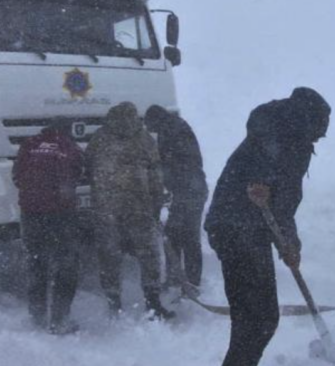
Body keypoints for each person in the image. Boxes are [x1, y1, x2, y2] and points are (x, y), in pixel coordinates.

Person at [193, 87, 331, 366]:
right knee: (262, 318)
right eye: (319, 130)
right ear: (308, 121)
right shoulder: (275, 132)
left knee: (250, 317)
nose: (320, 138)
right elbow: (262, 141)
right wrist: (260, 180)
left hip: (242, 228)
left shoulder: (292, 141)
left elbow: (283, 205)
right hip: (239, 228)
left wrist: (291, 244)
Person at [87, 101, 175, 320]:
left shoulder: (99, 137)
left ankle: (114, 305)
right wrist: (156, 204)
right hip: (139, 206)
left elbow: (88, 165)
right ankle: (153, 304)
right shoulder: (143, 139)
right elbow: (155, 175)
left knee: (109, 256)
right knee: (148, 255)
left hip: (107, 208)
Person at [12, 118, 86, 335]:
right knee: (66, 266)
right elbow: (78, 175)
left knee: (37, 263)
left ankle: (37, 316)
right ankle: (60, 320)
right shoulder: (69, 147)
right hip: (61, 215)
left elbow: (17, 176)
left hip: (31, 214)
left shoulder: (29, 144)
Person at [144, 105, 209, 294]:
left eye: (149, 125)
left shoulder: (172, 131)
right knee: (177, 235)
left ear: (156, 120)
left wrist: (164, 181)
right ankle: (180, 280)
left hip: (190, 191)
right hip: (189, 190)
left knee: (185, 237)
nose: (149, 130)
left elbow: (175, 164)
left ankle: (190, 283)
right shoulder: (175, 127)